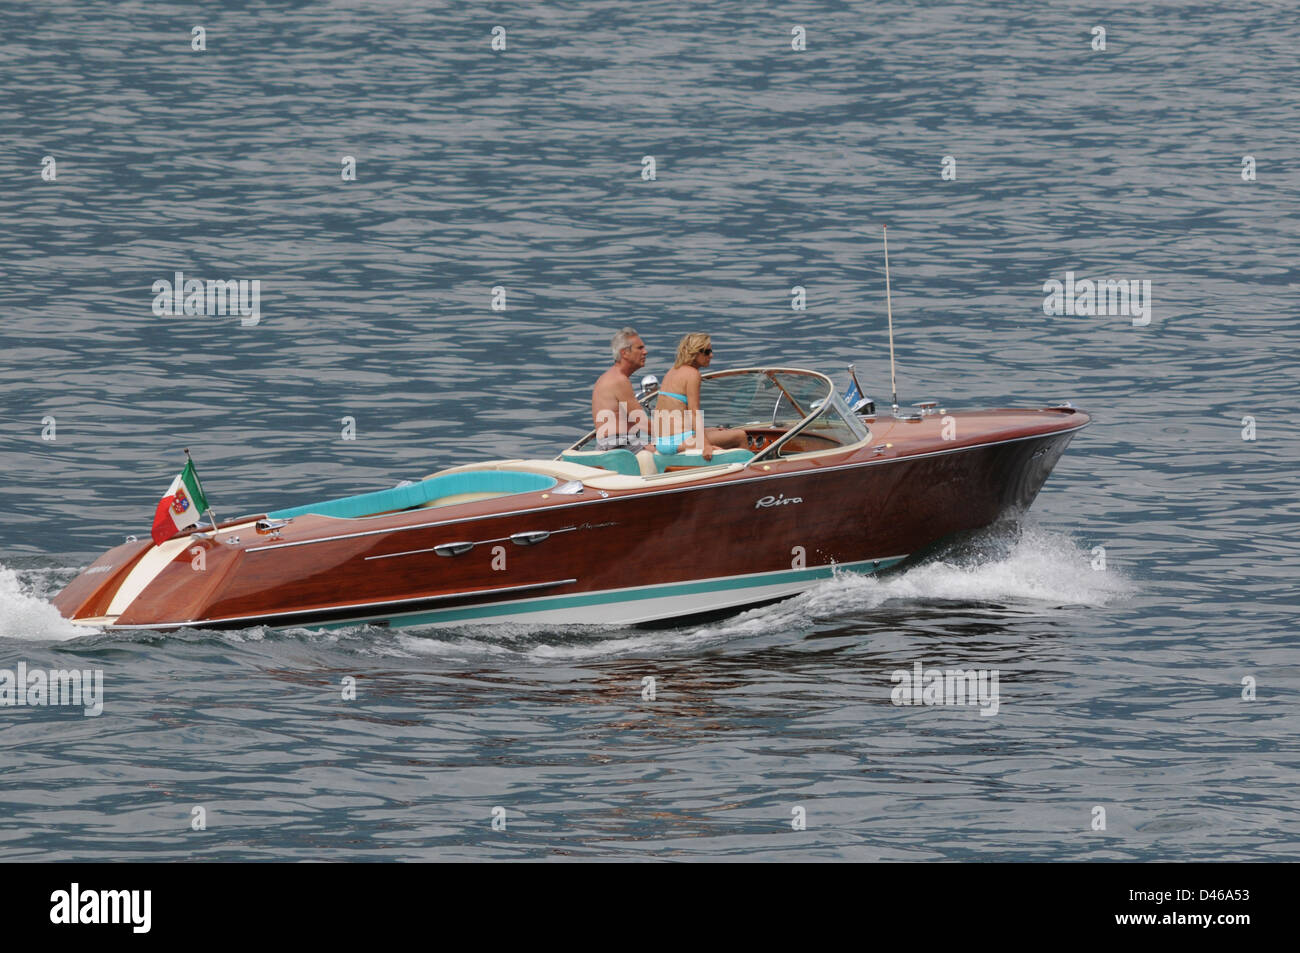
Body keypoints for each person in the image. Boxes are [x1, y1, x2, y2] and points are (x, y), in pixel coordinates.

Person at [652, 333, 747, 460]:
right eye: (707, 352)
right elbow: (694, 412)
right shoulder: (693, 374)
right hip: (679, 440)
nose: (711, 355)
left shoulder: (673, 371)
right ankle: (747, 473)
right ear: (695, 353)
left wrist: (708, 431)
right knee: (740, 436)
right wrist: (705, 445)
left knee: (717, 431)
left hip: (663, 442)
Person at [591, 327, 650, 452]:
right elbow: (643, 423)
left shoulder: (609, 377)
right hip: (619, 446)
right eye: (640, 348)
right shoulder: (619, 380)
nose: (645, 352)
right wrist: (674, 433)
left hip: (612, 444)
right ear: (624, 353)